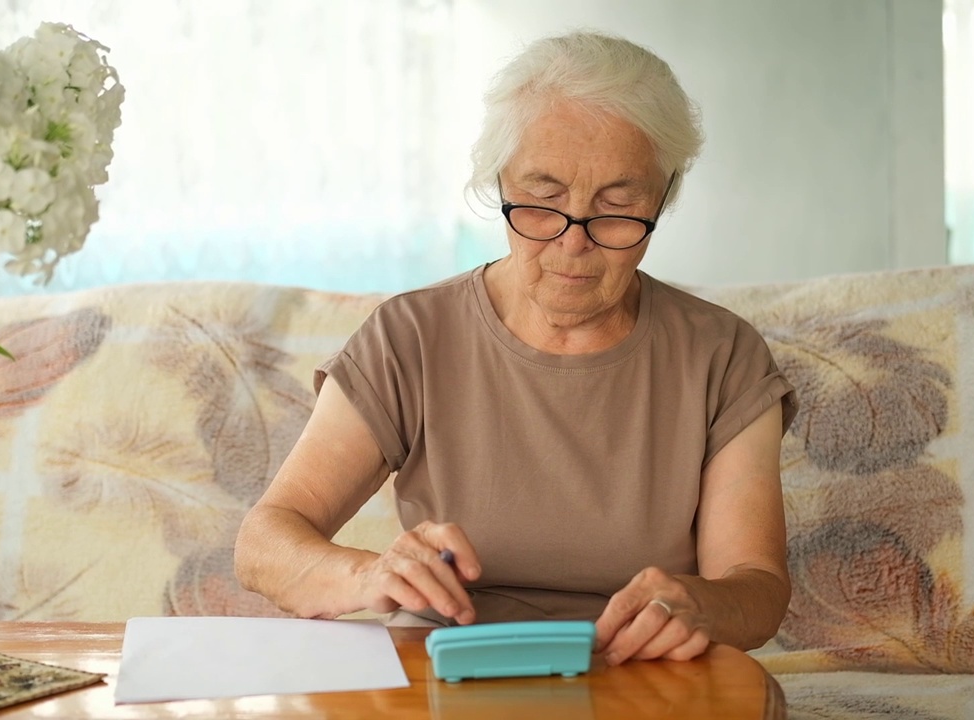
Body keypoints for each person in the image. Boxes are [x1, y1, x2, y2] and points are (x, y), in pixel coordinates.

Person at [235, 30, 797, 664]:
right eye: (543, 199)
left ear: (662, 199)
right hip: (448, 675)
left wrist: (706, 605)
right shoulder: (411, 338)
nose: (572, 242)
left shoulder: (722, 356)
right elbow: (265, 541)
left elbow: (756, 587)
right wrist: (367, 576)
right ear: (498, 181)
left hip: (643, 677)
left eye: (617, 207)